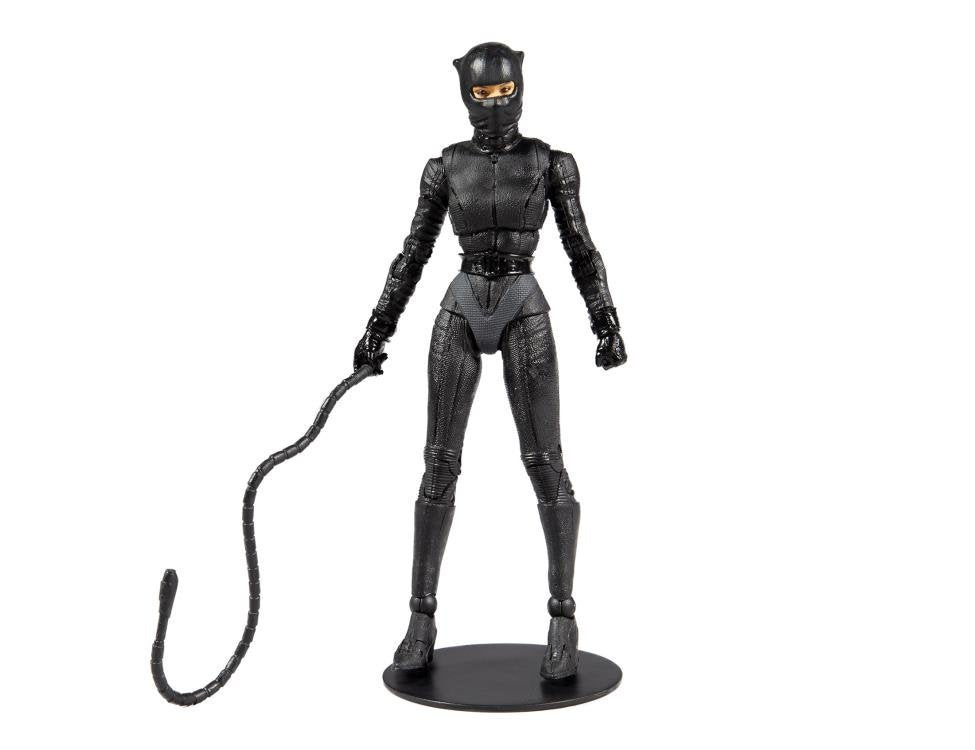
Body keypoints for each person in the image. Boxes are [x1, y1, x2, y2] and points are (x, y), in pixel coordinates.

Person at [353, 42, 627, 681]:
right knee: (439, 464)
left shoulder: (549, 164)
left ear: (521, 88)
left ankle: (563, 617)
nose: (496, 105)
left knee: (546, 463)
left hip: (523, 303)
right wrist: (378, 326)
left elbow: (581, 247)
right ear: (465, 95)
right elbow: (413, 252)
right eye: (484, 94)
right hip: (462, 303)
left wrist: (605, 320)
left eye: (506, 92)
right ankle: (420, 619)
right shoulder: (445, 167)